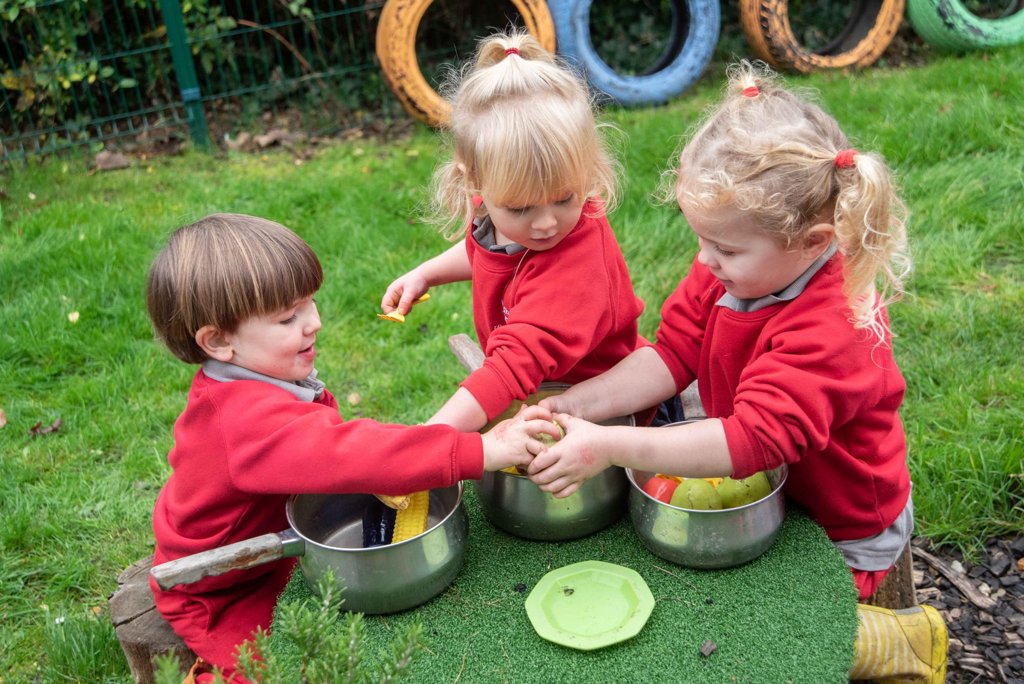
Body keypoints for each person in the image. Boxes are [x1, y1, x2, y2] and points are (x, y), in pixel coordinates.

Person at [530, 62, 947, 683]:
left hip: (840, 523)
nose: (704, 261)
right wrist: (578, 405)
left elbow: (751, 440)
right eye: (702, 241)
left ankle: (899, 643)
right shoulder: (742, 268)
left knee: (769, 637)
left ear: (813, 240)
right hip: (767, 495)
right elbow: (673, 354)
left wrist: (611, 446)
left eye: (724, 249)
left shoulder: (834, 327)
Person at [145, 213, 549, 681]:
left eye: (309, 303)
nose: (314, 322)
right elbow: (352, 452)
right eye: (287, 317)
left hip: (271, 533)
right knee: (288, 666)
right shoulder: (242, 422)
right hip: (221, 581)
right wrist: (480, 451)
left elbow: (334, 452)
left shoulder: (255, 378)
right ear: (218, 342)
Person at [380, 29, 646, 432]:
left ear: (586, 173)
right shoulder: (503, 209)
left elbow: (508, 370)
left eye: (564, 199)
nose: (544, 224)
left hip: (598, 415)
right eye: (521, 208)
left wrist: (427, 441)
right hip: (536, 398)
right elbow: (486, 250)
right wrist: (427, 273)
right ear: (476, 188)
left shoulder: (574, 268)